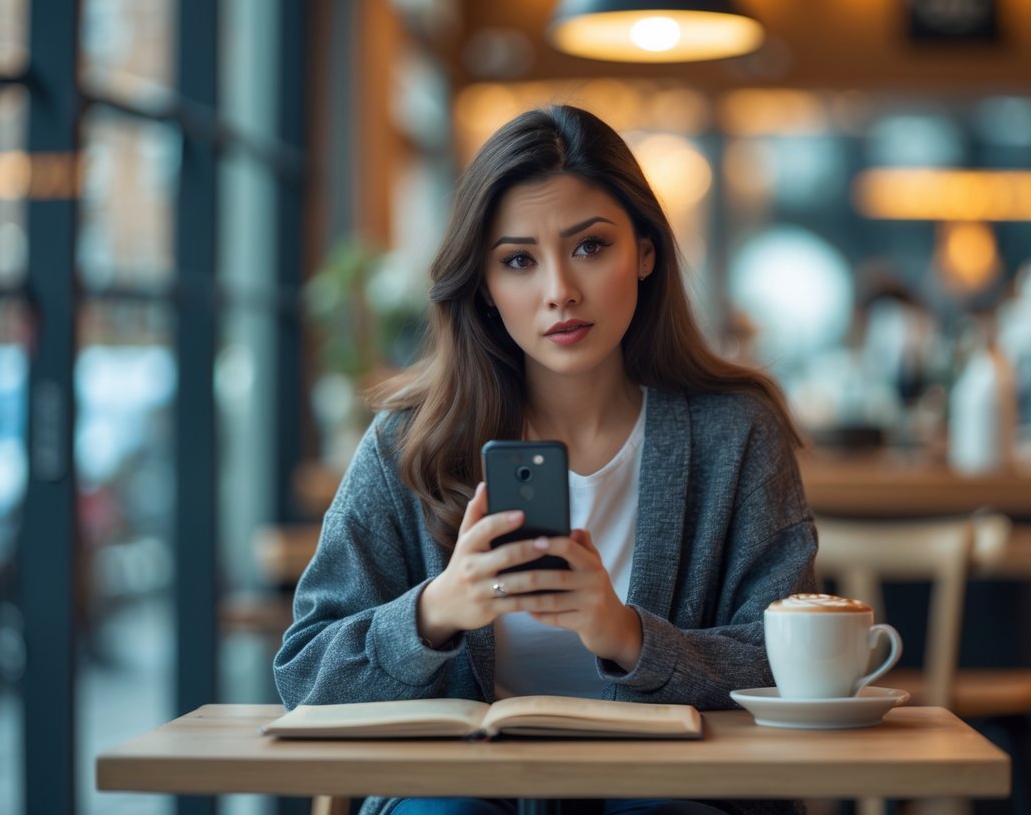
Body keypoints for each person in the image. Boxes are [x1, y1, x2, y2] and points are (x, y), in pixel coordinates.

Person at [274, 105, 818, 815]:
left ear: (645, 252)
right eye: (518, 260)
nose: (559, 289)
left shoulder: (734, 432)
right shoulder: (409, 441)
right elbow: (304, 673)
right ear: (485, 288)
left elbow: (786, 663)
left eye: (589, 247)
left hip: (671, 794)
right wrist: (436, 611)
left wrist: (626, 636)